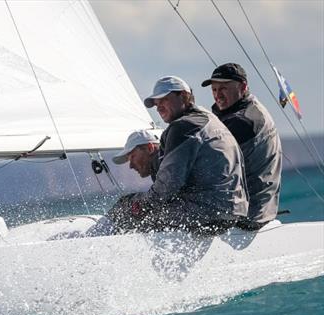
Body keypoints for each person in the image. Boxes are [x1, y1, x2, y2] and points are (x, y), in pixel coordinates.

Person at [96, 76, 249, 236]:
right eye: (156, 104)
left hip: (208, 211)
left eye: (163, 100)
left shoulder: (183, 126)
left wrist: (137, 206)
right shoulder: (208, 117)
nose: (158, 108)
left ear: (183, 96)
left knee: (125, 208)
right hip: (232, 210)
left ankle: (98, 248)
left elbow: (167, 187)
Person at [202, 63, 281, 230]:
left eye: (223, 88)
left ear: (243, 86)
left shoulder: (243, 120)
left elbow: (205, 164)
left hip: (249, 212)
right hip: (255, 206)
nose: (218, 95)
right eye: (214, 90)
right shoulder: (242, 110)